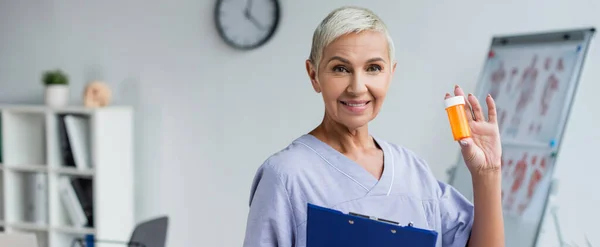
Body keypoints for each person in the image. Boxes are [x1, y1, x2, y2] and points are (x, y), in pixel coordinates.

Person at [242, 6, 504, 247]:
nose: (357, 87)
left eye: (374, 68)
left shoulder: (413, 172)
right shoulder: (287, 175)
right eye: (341, 69)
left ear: (391, 73)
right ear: (314, 75)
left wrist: (487, 174)